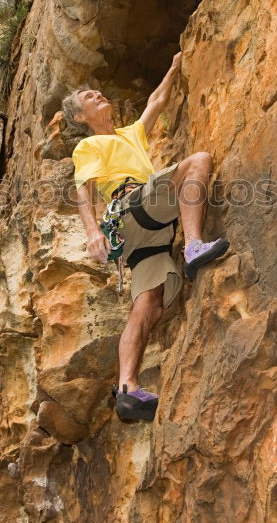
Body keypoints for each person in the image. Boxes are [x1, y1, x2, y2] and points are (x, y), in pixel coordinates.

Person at [61, 51, 230, 423]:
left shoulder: (130, 135)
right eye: (88, 97)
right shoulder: (88, 146)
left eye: (97, 93)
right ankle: (193, 245)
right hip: (131, 206)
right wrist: (91, 233)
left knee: (148, 303)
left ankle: (127, 389)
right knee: (198, 162)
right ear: (79, 117)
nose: (97, 96)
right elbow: (84, 190)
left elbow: (156, 101)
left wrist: (173, 67)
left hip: (144, 235)